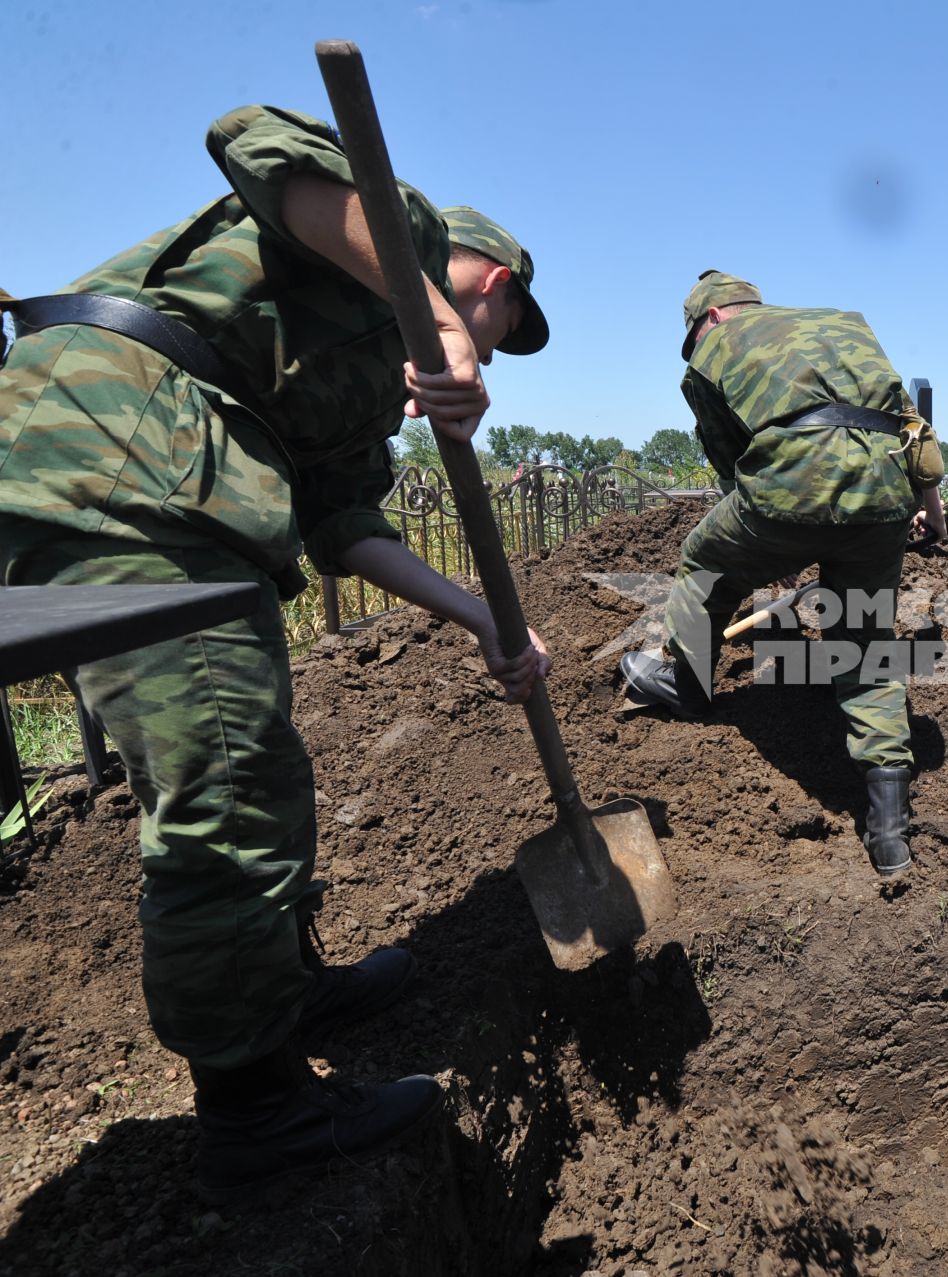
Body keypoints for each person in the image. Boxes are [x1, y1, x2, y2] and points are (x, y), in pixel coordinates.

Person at [0, 105, 551, 1200]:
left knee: (258, 753)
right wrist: (431, 316)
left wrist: (485, 617)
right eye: (496, 334)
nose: (482, 358)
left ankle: (286, 990)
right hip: (117, 453)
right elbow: (254, 139)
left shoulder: (360, 396)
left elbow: (343, 525)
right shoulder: (399, 236)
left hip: (180, 487)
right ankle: (259, 1110)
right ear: (492, 288)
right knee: (228, 774)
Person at [619, 271, 946, 877]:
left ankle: (688, 686)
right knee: (867, 643)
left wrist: (766, 543)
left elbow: (728, 462)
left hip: (788, 483)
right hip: (885, 491)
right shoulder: (845, 324)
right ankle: (889, 834)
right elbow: (915, 432)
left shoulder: (712, 349)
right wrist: (930, 512)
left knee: (703, 562)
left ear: (710, 318)